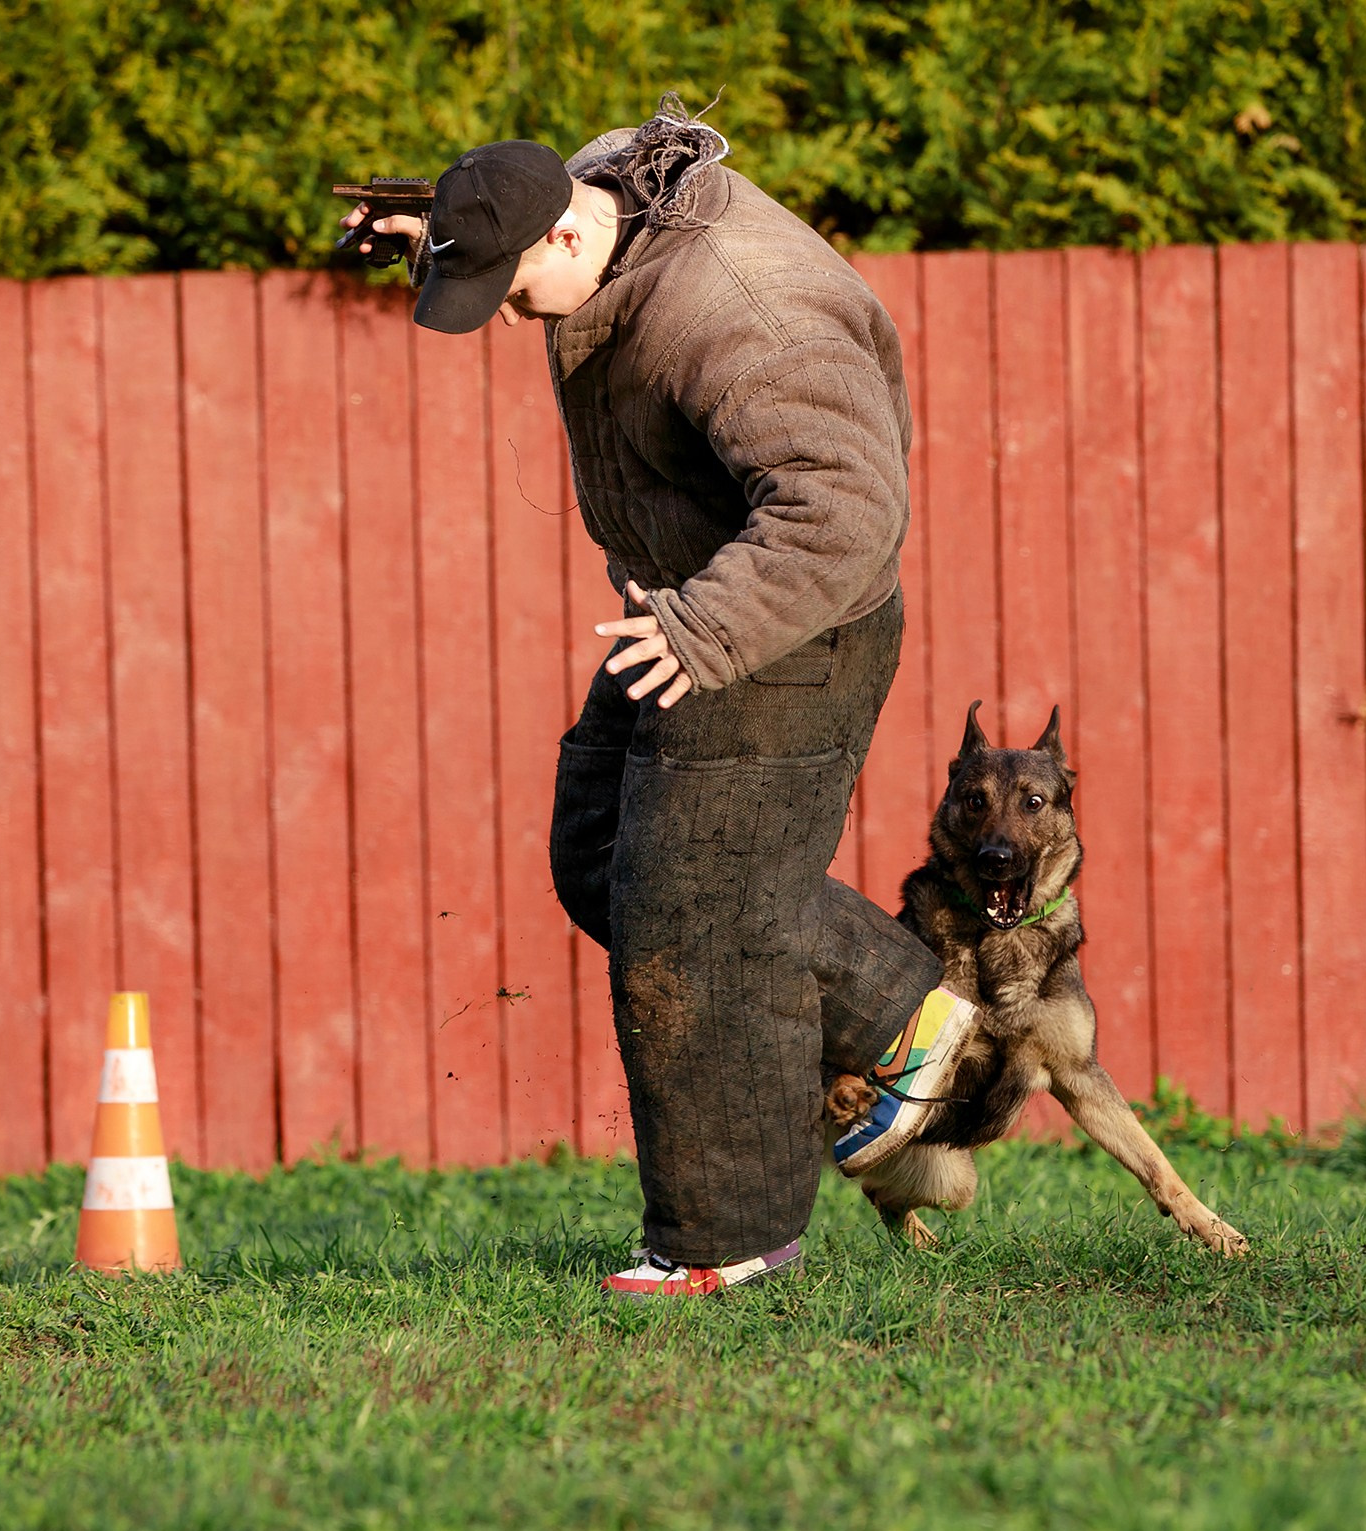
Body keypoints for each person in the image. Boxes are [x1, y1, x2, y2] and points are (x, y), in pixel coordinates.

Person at [348, 99, 973, 1297]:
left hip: (783, 623)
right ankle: (898, 1013)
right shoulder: (598, 198)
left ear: (566, 240)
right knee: (602, 858)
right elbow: (521, 192)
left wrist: (705, 626)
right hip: (691, 601)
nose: (509, 319)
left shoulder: (746, 317)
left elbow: (843, 509)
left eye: (510, 290)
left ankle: (720, 1244)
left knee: (694, 925)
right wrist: (438, 230)